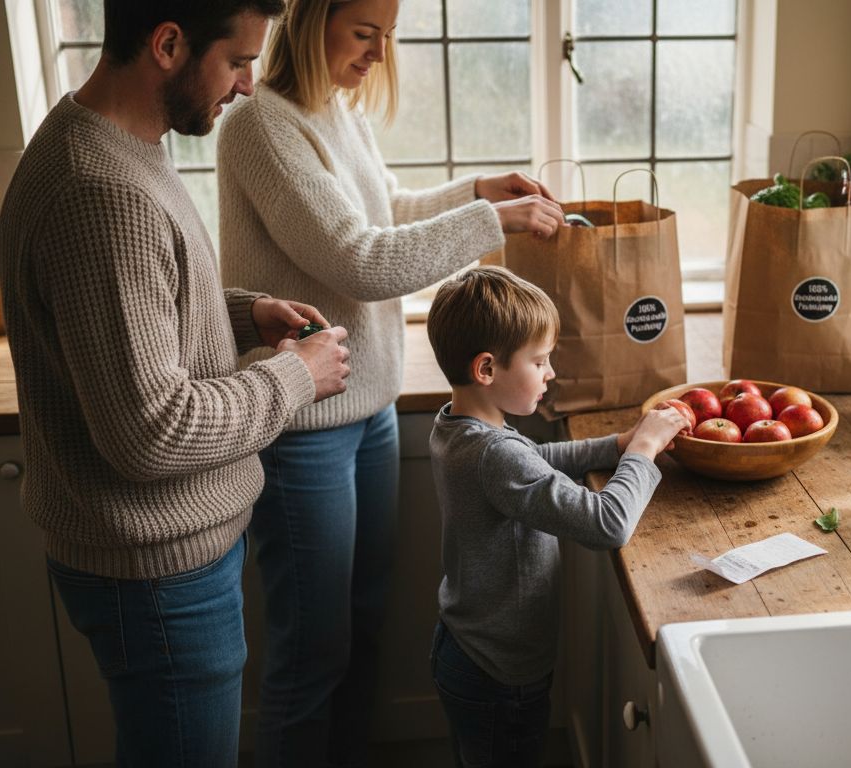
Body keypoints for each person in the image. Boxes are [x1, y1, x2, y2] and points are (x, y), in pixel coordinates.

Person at [0, 1, 353, 766]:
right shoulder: (100, 190)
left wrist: (243, 314)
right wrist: (295, 376)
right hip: (156, 577)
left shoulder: (116, 147)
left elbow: (142, 313)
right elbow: (152, 428)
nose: (250, 87)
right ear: (167, 44)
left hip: (162, 564)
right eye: (237, 62)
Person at [215, 0, 566, 764]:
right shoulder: (258, 126)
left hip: (366, 408)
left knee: (363, 624)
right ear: (312, 23)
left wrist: (479, 192)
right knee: (312, 655)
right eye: (365, 33)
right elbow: (362, 259)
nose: (379, 54)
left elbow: (387, 212)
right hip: (303, 426)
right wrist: (493, 223)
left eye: (388, 37)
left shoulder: (336, 111)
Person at [425, 266, 687, 766]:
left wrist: (616, 445)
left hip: (467, 647)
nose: (549, 373)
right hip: (498, 671)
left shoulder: (461, 425)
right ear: (487, 369)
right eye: (539, 360)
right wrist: (645, 452)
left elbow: (534, 462)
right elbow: (606, 523)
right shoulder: (492, 453)